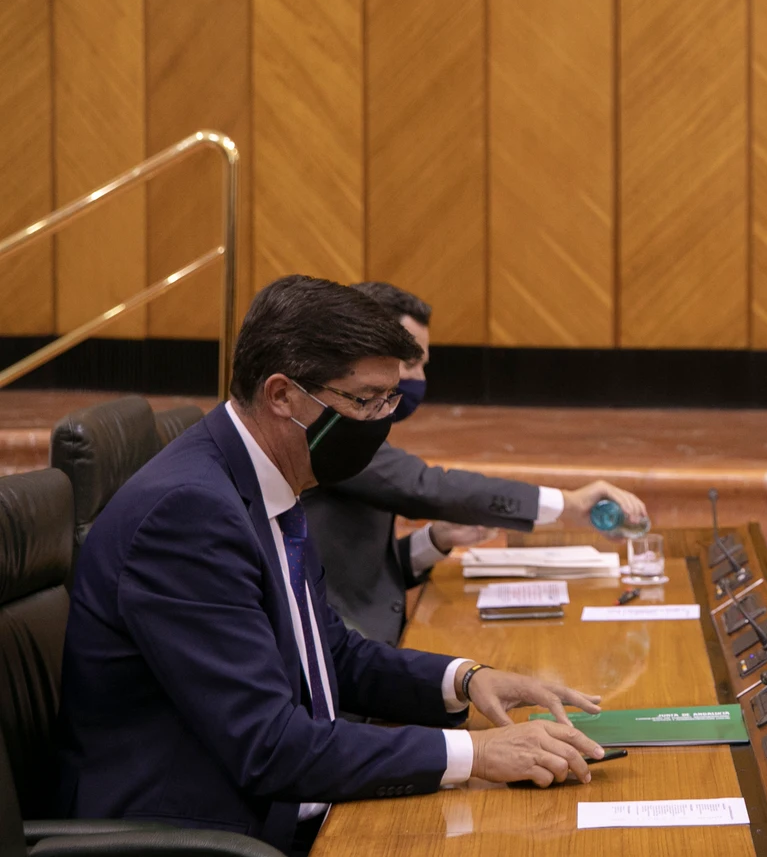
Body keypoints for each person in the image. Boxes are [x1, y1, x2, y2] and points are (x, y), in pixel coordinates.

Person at [57, 275, 610, 853]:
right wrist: (476, 753)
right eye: (365, 400)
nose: (380, 421)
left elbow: (330, 653)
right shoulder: (189, 513)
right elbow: (268, 745)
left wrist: (466, 681)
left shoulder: (266, 480)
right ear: (281, 395)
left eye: (389, 400)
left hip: (276, 808)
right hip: (204, 833)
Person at [302, 281, 649, 647]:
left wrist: (436, 540)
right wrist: (567, 504)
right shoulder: (330, 433)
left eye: (423, 363)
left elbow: (361, 576)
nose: (418, 379)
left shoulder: (363, 433)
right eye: (410, 363)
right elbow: (426, 486)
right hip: (342, 664)